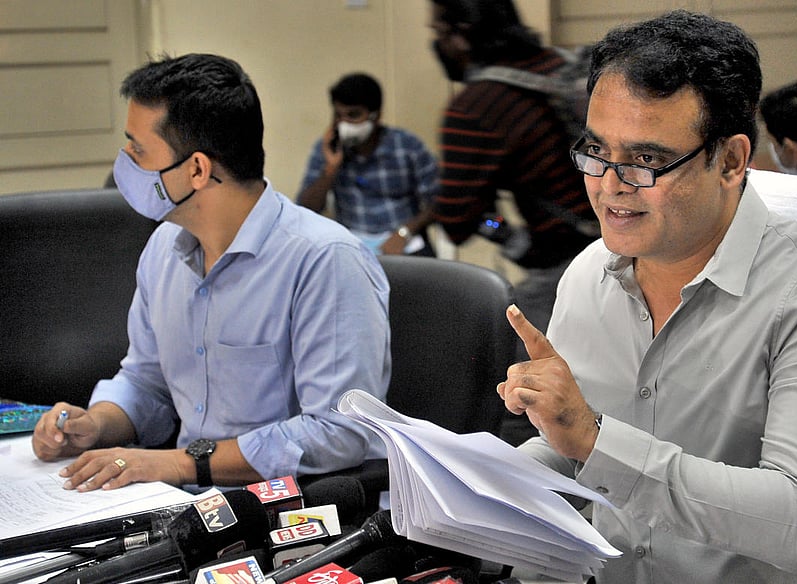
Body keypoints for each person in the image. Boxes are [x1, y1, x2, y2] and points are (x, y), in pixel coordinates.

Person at [498, 10, 797, 583]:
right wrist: (483, 483)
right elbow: (575, 450)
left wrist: (592, 439)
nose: (609, 185)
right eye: (596, 151)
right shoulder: (589, 275)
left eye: (647, 160)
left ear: (731, 161)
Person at [31, 53, 391, 492]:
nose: (124, 161)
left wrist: (178, 464)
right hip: (187, 499)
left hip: (291, 508)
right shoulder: (165, 247)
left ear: (197, 169)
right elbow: (147, 381)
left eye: (138, 149)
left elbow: (338, 434)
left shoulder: (325, 260)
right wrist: (97, 424)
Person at [428, 0, 597, 444]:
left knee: (518, 399)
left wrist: (504, 232)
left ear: (462, 34)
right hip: (634, 249)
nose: (438, 45)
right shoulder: (563, 67)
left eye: (439, 33)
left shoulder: (476, 106)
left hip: (566, 265)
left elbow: (455, 218)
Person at [297, 72, 438, 256]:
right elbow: (307, 208)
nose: (344, 123)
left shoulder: (407, 146)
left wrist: (405, 233)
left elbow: (439, 200)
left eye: (353, 115)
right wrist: (330, 169)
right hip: (353, 245)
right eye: (338, 116)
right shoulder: (328, 148)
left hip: (403, 241)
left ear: (376, 116)